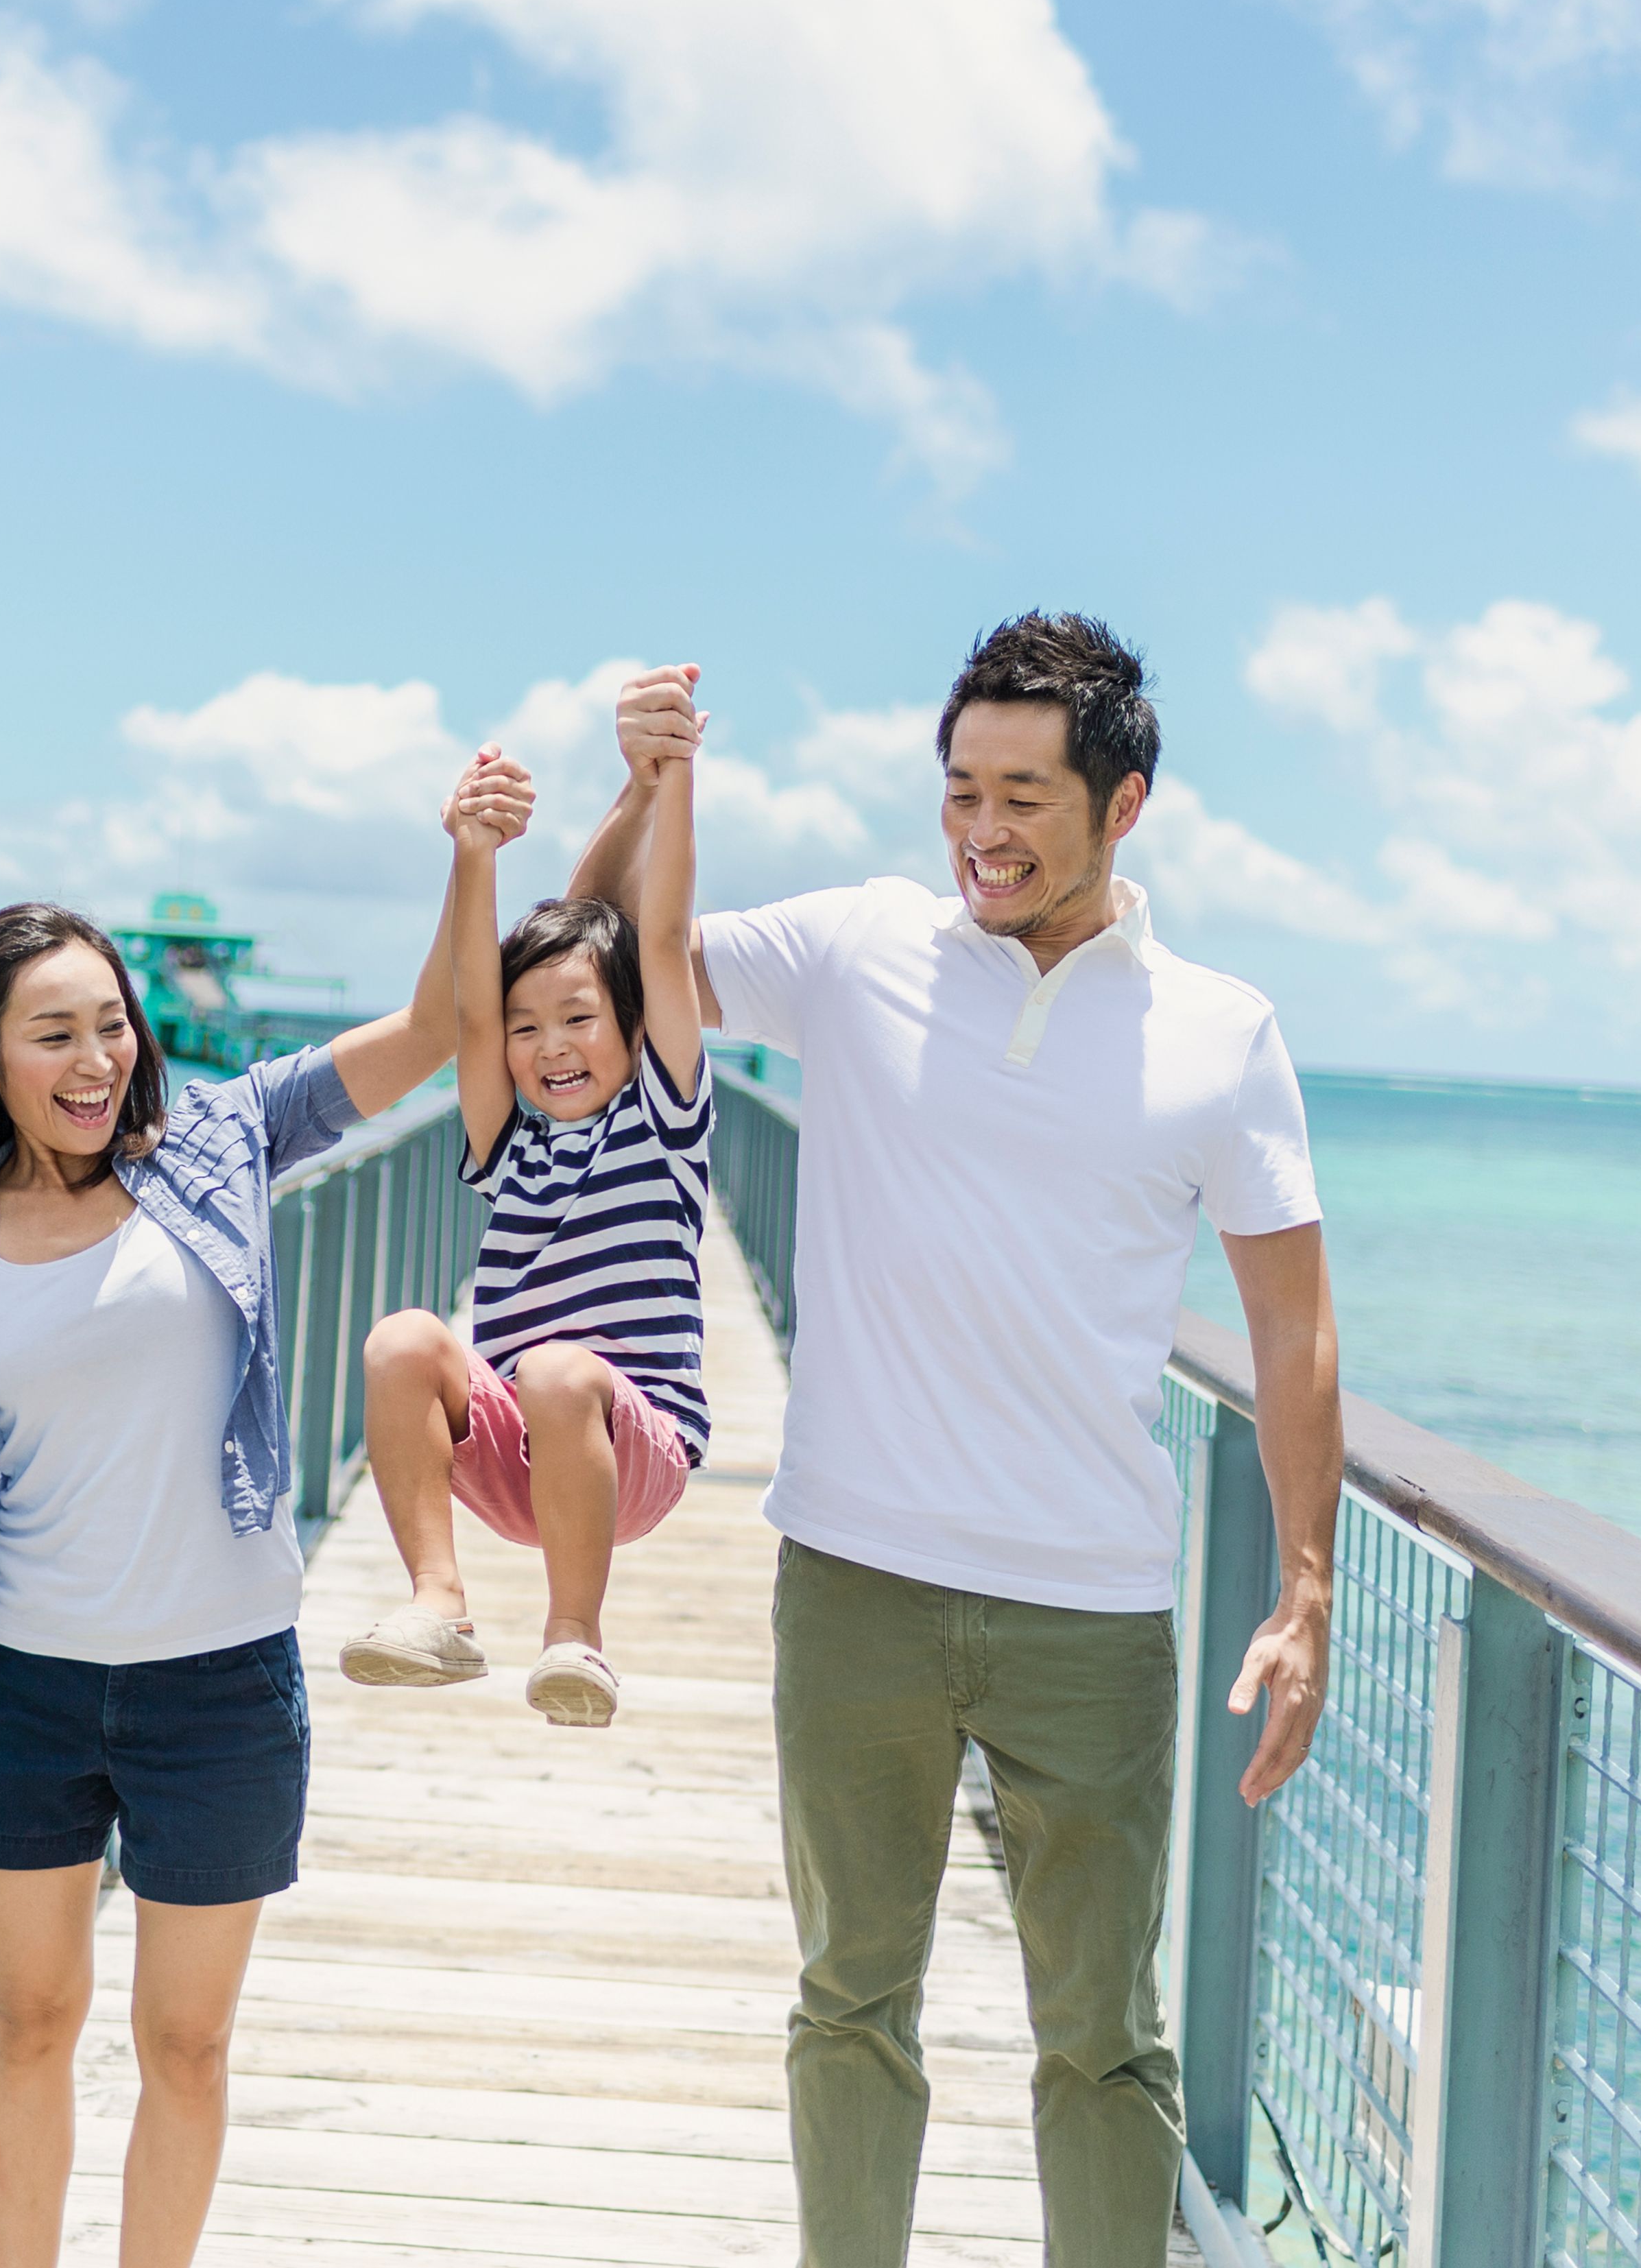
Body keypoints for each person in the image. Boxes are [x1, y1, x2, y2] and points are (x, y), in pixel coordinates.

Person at [568, 614, 1344, 2267]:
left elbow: (1291, 1327)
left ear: (1123, 804)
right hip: (856, 1576)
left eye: (1021, 798)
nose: (979, 832)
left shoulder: (1221, 1030)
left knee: (1104, 2037)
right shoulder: (855, 946)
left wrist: (1303, 1589)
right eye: (958, 792)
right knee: (849, 2001)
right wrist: (638, 793)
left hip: (1094, 1606)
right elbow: (599, 977)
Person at [0, 749, 531, 2268]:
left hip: (217, 1683)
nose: (96, 1058)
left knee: (185, 2045)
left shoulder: (221, 1139)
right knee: (28, 2026)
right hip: (21, 1684)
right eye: (53, 1033)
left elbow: (442, 1031)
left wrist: (468, 856)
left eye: (111, 1023)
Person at [340, 696, 712, 1728]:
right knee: (402, 1340)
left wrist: (674, 774)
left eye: (578, 1018)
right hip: (516, 1456)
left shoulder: (664, 1122)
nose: (550, 1046)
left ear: (633, 1027)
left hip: (632, 1452)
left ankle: (574, 1636)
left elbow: (663, 939)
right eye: (527, 1027)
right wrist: (473, 852)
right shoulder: (512, 1144)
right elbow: (469, 1014)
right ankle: (439, 1605)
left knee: (556, 1369)